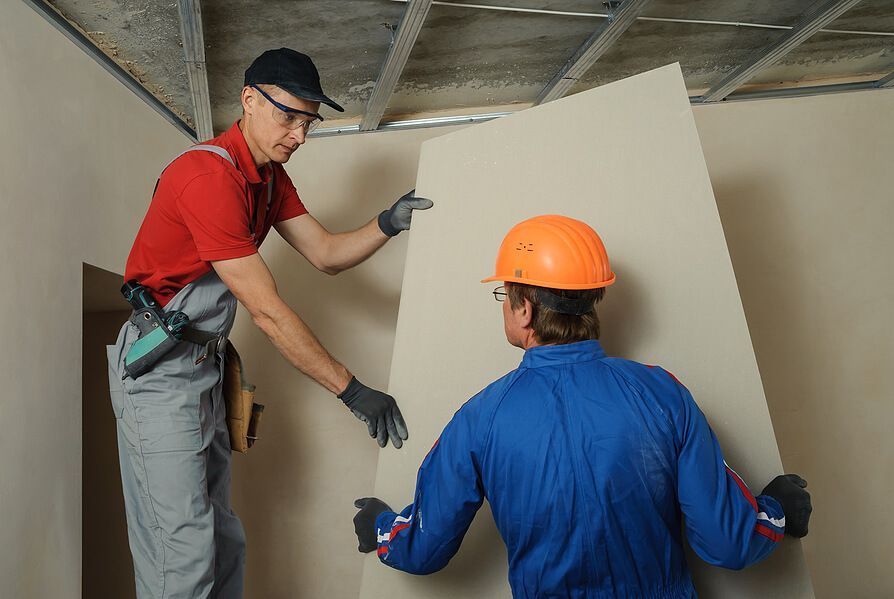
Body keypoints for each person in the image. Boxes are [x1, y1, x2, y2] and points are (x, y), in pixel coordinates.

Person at [106, 48, 428, 598]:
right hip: (158, 371)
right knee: (179, 549)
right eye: (288, 117)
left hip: (204, 368)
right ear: (249, 101)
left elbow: (325, 253)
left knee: (223, 538)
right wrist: (351, 391)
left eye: (309, 122)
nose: (299, 135)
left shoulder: (270, 179)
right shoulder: (206, 176)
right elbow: (267, 309)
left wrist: (385, 223)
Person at [352, 215, 812, 598]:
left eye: (504, 296)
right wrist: (777, 508)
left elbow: (423, 548)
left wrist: (380, 527)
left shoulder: (480, 418)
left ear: (525, 309)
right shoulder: (662, 393)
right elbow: (729, 541)